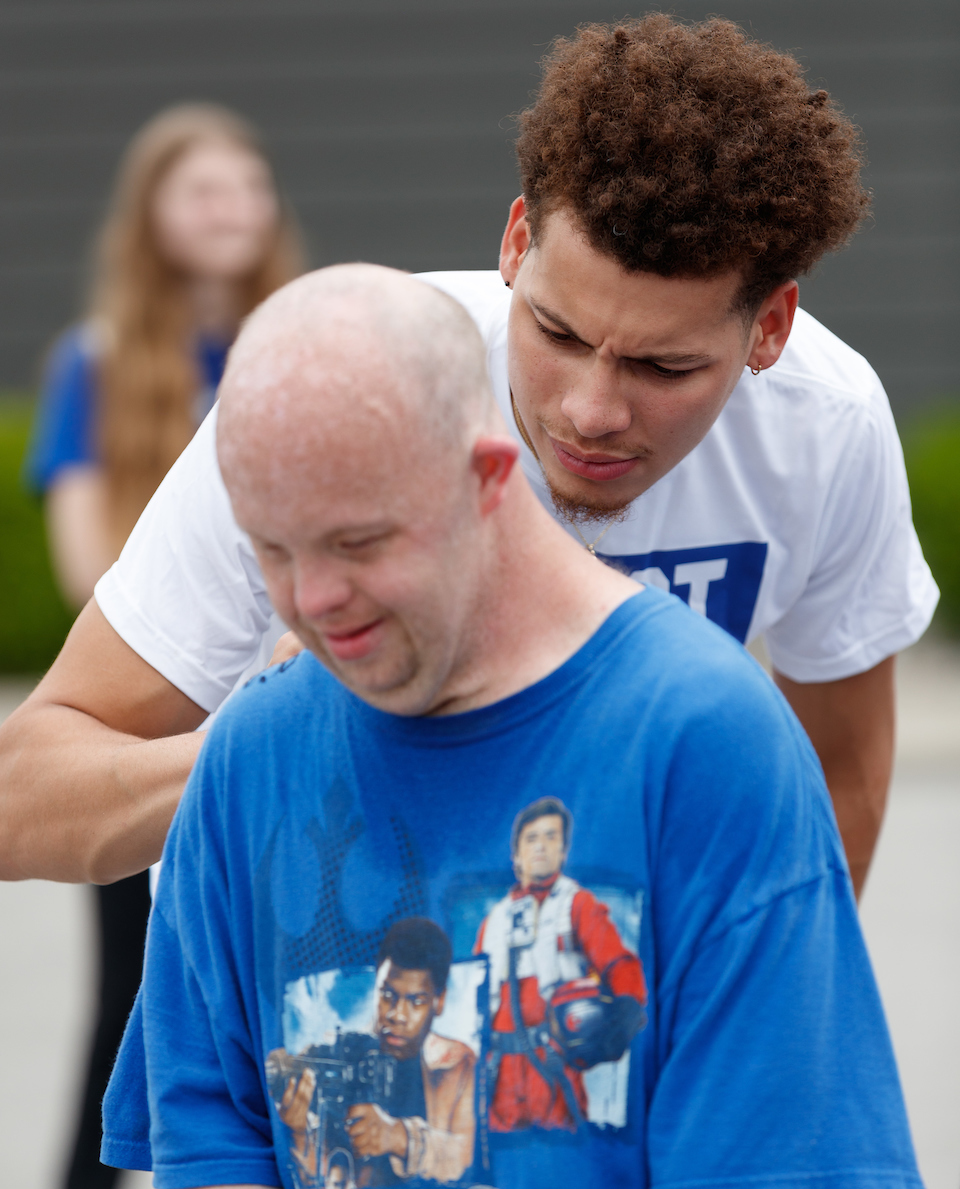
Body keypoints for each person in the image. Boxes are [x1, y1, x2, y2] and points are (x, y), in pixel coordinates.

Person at [0, 16, 938, 899]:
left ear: (769, 327)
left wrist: (752, 1018)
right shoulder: (344, 383)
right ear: (517, 243)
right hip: (308, 992)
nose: (591, 410)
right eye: (558, 332)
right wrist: (283, 750)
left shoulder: (828, 424)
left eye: (665, 365)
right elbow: (25, 794)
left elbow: (839, 780)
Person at [99, 265, 925, 1189]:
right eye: (273, 548)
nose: (314, 600)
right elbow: (216, 1138)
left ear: (487, 479)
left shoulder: (708, 733)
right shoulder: (246, 753)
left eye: (361, 542)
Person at [21, 102, 303, 1189]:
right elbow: (84, 561)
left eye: (249, 185)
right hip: (155, 727)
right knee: (132, 1004)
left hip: (297, 704)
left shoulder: (309, 341)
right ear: (152, 215)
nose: (233, 208)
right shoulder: (94, 363)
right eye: (204, 189)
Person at [474, 797, 647, 1131]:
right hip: (500, 1078)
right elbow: (470, 994)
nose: (541, 846)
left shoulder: (577, 905)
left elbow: (620, 964)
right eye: (532, 838)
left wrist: (625, 1013)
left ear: (564, 851)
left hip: (554, 1068)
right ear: (516, 857)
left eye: (551, 837)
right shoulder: (493, 921)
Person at [268, 918, 475, 1189]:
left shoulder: (456, 1063)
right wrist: (298, 1133)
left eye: (416, 1001)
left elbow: (465, 1158)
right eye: (387, 994)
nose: (396, 1014)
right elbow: (315, 1185)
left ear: (440, 1001)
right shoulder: (336, 1056)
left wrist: (396, 1136)